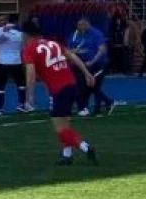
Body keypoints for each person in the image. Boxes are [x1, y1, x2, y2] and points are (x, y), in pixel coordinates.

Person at [21, 20, 98, 166]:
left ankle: (86, 147)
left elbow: (30, 73)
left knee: (60, 128)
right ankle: (67, 156)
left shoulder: (30, 49)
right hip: (71, 84)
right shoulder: (53, 43)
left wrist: (29, 94)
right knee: (65, 123)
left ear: (26, 35)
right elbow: (73, 56)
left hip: (58, 89)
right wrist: (86, 73)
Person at [67, 18, 114, 116]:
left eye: (82, 25)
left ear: (88, 23)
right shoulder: (77, 33)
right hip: (84, 64)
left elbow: (102, 50)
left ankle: (99, 108)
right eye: (79, 25)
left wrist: (93, 61)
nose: (80, 27)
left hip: (99, 64)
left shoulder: (96, 34)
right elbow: (71, 48)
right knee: (85, 86)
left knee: (94, 85)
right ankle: (101, 104)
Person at [0, 15, 30, 115]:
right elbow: (23, 47)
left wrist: (3, 30)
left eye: (2, 20)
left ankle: (0, 107)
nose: (1, 22)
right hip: (16, 62)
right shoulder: (19, 33)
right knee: (21, 84)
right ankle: (22, 104)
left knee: (1, 85)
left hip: (4, 63)